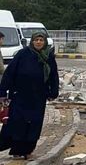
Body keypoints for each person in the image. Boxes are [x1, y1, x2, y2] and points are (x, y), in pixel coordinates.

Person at [0, 32, 59, 160]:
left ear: (45, 42)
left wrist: (53, 92)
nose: (38, 42)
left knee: (34, 123)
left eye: (41, 40)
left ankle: (28, 151)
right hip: (20, 95)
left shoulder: (48, 56)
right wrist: (3, 92)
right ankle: (16, 150)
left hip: (38, 96)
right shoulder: (23, 54)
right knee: (18, 122)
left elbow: (53, 75)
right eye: (36, 40)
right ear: (32, 41)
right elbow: (9, 73)